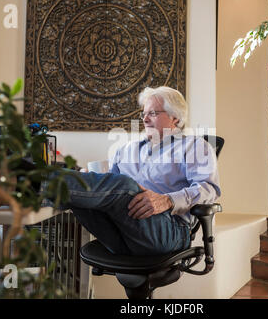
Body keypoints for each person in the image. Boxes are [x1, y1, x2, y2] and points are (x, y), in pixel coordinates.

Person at [48, 86, 220, 256]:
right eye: (143, 114)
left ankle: (36, 181)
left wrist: (168, 201)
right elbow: (109, 186)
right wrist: (89, 179)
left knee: (125, 185)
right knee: (83, 191)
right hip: (121, 232)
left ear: (174, 117)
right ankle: (33, 187)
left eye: (152, 113)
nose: (144, 119)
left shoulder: (194, 146)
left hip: (168, 231)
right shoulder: (126, 149)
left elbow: (209, 189)